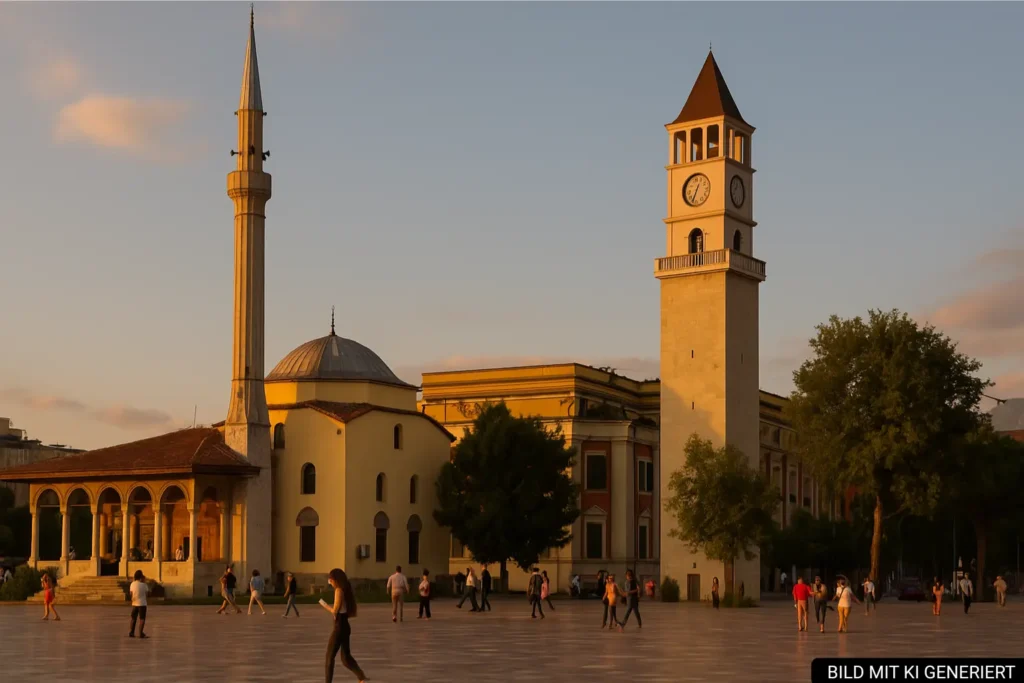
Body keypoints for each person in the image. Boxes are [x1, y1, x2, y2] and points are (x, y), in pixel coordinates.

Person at [321, 568, 367, 683]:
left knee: (329, 657)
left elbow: (335, 610)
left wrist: (324, 605)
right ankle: (361, 677)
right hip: (345, 625)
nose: (330, 582)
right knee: (345, 657)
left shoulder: (339, 591)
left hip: (340, 627)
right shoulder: (345, 590)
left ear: (335, 580)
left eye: (330, 580)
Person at [129, 569, 149, 638]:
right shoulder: (144, 585)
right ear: (141, 577)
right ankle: (141, 633)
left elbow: (131, 594)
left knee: (133, 618)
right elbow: (147, 595)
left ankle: (131, 632)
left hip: (134, 603)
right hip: (142, 604)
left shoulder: (132, 584)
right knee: (142, 619)